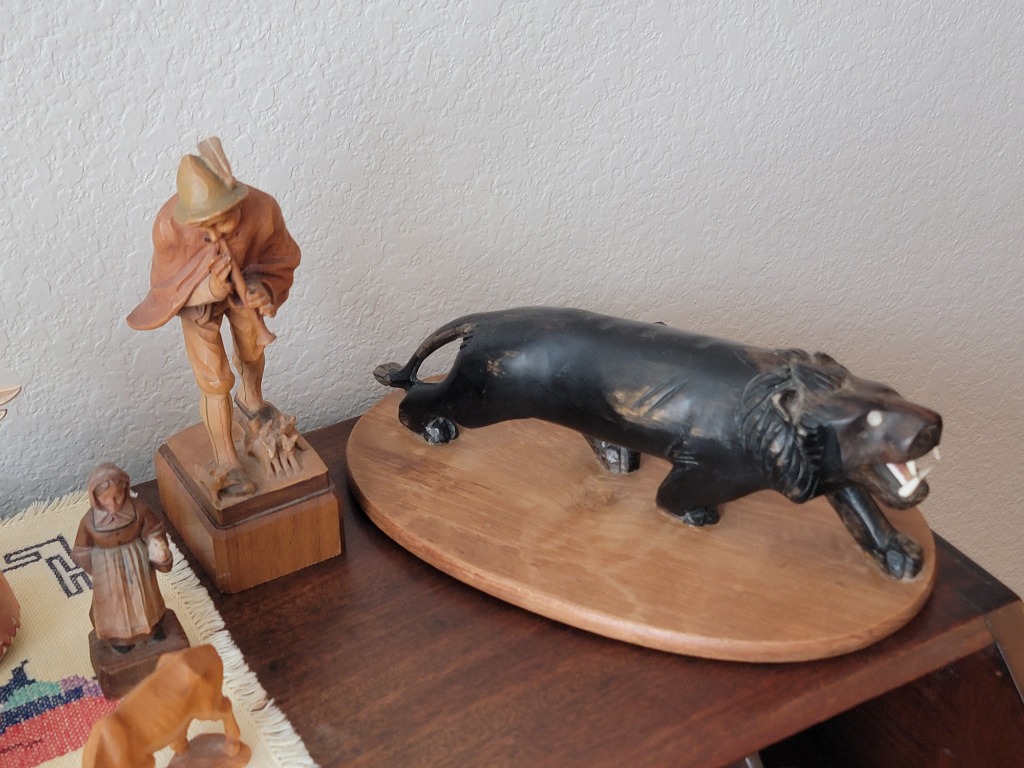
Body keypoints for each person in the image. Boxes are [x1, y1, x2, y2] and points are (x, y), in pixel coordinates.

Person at [127, 138, 300, 496]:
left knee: (252, 349)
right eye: (203, 228)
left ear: (237, 202)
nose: (213, 236)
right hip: (198, 304)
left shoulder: (263, 209)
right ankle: (226, 460)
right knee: (215, 380)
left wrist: (263, 289)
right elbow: (166, 291)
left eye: (221, 224)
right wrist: (209, 289)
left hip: (244, 289)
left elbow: (280, 257)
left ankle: (251, 401)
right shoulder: (169, 225)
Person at [72, 463, 173, 653]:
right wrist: (97, 569)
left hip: (137, 562)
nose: (113, 503)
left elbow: (153, 529)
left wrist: (157, 545)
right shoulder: (89, 521)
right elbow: (81, 549)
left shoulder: (139, 509)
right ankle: (119, 639)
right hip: (107, 570)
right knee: (114, 605)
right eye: (105, 498)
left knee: (145, 597)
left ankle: (153, 628)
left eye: (117, 496)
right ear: (95, 497)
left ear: (125, 489)